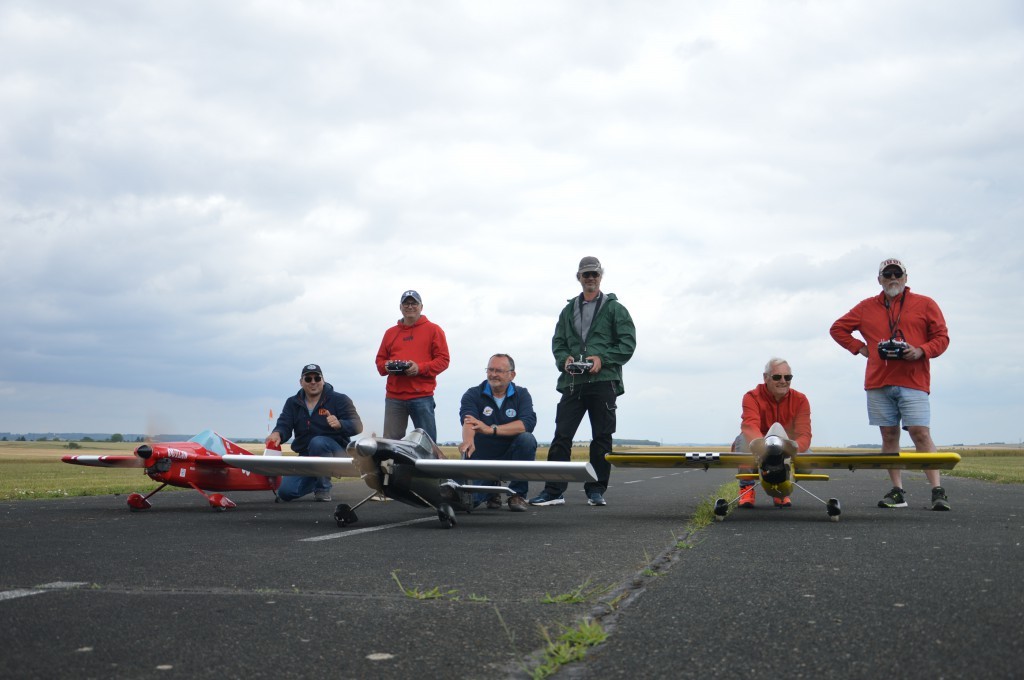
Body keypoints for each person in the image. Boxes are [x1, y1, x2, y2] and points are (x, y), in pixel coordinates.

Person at [830, 257, 951, 511]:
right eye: (887, 275)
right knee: (888, 435)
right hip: (879, 382)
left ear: (906, 278)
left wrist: (921, 350)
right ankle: (898, 491)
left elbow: (942, 337)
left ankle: (937, 491)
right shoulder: (866, 307)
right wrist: (860, 348)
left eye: (897, 274)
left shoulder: (925, 304)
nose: (892, 278)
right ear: (879, 280)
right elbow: (837, 328)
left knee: (920, 433)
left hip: (914, 380)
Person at [529, 256, 636, 507]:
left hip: (604, 381)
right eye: (586, 274)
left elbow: (628, 345)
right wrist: (563, 359)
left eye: (594, 274)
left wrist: (602, 358)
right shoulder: (568, 310)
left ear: (601, 276)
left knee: (601, 437)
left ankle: (596, 489)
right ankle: (554, 491)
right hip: (573, 382)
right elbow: (558, 343)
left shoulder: (615, 309)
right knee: (561, 436)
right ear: (578, 277)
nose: (590, 278)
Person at [267, 364, 363, 502]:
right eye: (308, 379)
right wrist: (277, 433)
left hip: (336, 453)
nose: (313, 382)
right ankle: (316, 478)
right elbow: (284, 425)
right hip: (307, 456)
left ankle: (323, 489)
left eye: (317, 378)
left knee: (318, 442)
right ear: (301, 382)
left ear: (323, 380)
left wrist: (341, 424)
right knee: (285, 493)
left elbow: (358, 426)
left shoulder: (340, 399)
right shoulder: (292, 403)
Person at [458, 353, 538, 512]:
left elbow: (526, 424)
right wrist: (468, 441)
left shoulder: (522, 394)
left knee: (527, 440)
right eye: (490, 369)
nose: (493, 374)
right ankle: (491, 489)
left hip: (509, 454)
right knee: (465, 503)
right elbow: (468, 421)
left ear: (512, 375)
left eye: (499, 371)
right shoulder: (473, 394)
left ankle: (517, 494)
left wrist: (491, 429)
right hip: (482, 457)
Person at [732, 357, 812, 508]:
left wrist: (789, 449)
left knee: (810, 461)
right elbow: (750, 426)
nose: (783, 381)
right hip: (759, 447)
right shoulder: (751, 397)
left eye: (787, 377)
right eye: (777, 377)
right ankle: (746, 488)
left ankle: (782, 489)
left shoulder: (801, 400)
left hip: (787, 447)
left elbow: (804, 434)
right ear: (765, 378)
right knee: (742, 439)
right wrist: (766, 449)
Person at [375, 290, 450, 444]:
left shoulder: (434, 330)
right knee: (390, 445)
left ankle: (429, 469)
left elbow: (443, 360)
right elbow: (380, 363)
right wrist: (388, 366)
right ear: (400, 307)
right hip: (394, 397)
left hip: (422, 396)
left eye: (414, 303)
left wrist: (419, 368)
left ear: (421, 306)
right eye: (406, 303)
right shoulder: (390, 333)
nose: (410, 306)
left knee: (427, 445)